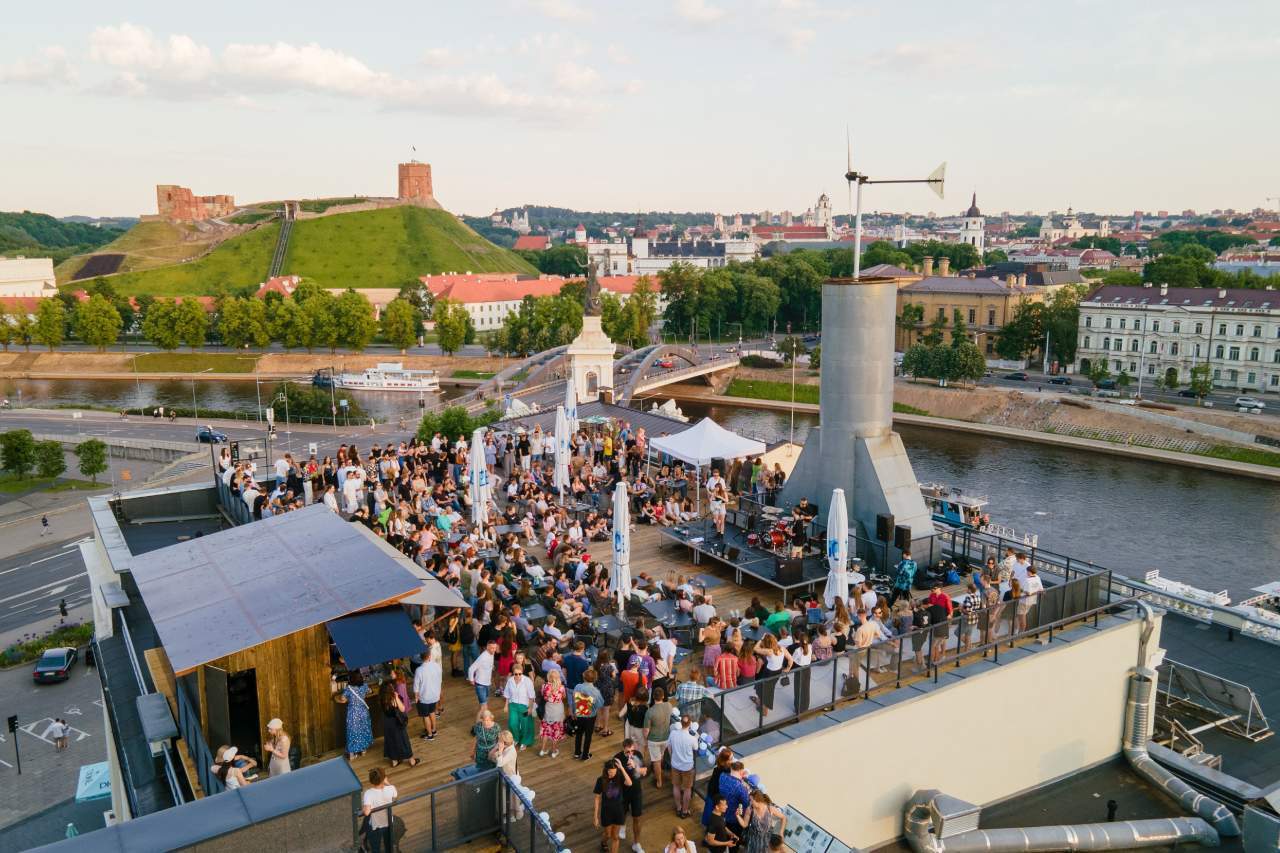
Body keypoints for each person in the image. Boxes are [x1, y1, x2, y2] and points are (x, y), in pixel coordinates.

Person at [614, 737, 649, 852]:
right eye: (627, 752)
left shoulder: (638, 755)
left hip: (636, 791)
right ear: (623, 750)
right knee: (622, 814)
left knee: (637, 818)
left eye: (632, 751)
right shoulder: (617, 758)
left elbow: (644, 771)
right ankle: (622, 825)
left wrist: (635, 767)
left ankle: (636, 843)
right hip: (623, 792)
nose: (630, 754)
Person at [595, 758, 634, 853]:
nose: (610, 774)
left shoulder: (620, 778)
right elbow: (597, 798)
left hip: (618, 811)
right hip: (606, 811)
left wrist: (622, 768)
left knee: (615, 836)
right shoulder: (601, 780)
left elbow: (629, 783)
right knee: (608, 834)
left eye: (613, 772)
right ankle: (603, 843)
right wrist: (595, 816)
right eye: (609, 771)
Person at [380, 682, 420, 768]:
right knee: (404, 741)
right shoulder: (393, 698)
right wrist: (396, 696)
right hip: (396, 722)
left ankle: (394, 761)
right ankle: (412, 761)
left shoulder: (382, 698)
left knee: (390, 741)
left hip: (387, 723)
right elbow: (402, 709)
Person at [666, 715, 698, 819]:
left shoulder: (673, 733)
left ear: (681, 722)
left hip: (675, 764)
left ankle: (679, 808)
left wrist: (672, 758)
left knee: (676, 786)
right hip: (687, 767)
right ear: (690, 724)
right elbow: (695, 749)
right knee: (687, 789)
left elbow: (669, 747)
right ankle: (684, 811)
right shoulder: (692, 738)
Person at [335, 671, 372, 760]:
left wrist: (349, 698)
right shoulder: (364, 686)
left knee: (352, 732)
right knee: (363, 730)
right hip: (363, 712)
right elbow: (370, 691)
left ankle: (352, 754)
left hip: (353, 713)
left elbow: (342, 698)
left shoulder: (349, 689)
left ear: (351, 679)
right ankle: (363, 751)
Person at [361, 767, 398, 853]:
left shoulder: (368, 793)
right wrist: (387, 782)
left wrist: (363, 807)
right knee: (389, 846)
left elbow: (366, 812)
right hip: (388, 822)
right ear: (384, 778)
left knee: (375, 848)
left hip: (375, 825)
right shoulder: (391, 788)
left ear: (371, 780)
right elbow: (395, 795)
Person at [573, 668, 606, 761]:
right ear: (595, 679)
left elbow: (574, 700)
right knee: (588, 735)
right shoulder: (596, 691)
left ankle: (577, 753)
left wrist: (574, 711)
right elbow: (600, 704)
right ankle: (585, 755)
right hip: (590, 717)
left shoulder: (578, 686)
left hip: (579, 713)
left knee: (579, 734)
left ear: (583, 677)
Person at [644, 688, 674, 789]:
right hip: (666, 738)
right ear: (663, 696)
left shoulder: (650, 711)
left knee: (656, 761)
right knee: (660, 757)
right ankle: (661, 774)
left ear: (653, 697)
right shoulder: (669, 706)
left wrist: (645, 739)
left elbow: (646, 730)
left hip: (653, 740)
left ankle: (659, 781)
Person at [503, 663, 537, 749]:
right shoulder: (510, 681)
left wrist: (530, 707)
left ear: (522, 672)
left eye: (520, 673)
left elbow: (531, 696)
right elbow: (507, 694)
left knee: (526, 724)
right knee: (512, 723)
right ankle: (515, 738)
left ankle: (525, 741)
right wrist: (506, 706)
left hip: (524, 706)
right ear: (513, 673)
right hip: (513, 706)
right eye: (516, 674)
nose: (518, 675)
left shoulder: (527, 681)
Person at [539, 668, 568, 757]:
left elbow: (543, 696)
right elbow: (564, 697)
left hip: (548, 710)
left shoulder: (544, 686)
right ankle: (554, 751)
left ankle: (542, 750)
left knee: (546, 731)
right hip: (558, 710)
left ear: (549, 677)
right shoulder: (561, 687)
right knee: (556, 731)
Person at [413, 652, 442, 740]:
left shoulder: (419, 670)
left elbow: (416, 686)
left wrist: (416, 697)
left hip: (424, 697)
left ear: (421, 658)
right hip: (435, 695)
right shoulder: (437, 666)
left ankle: (429, 735)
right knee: (432, 712)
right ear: (429, 656)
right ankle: (434, 730)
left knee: (425, 716)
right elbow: (440, 679)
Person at [468, 639, 498, 707]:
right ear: (487, 647)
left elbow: (488, 663)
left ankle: (482, 716)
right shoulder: (483, 657)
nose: (494, 650)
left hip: (487, 683)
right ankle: (483, 716)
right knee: (484, 705)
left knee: (484, 703)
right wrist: (471, 679)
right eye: (492, 648)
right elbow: (471, 669)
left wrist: (492, 667)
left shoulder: (492, 654)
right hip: (480, 684)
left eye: (495, 648)